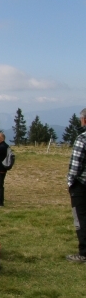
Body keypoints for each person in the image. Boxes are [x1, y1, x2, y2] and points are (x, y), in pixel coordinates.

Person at [66, 108, 86, 263]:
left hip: (82, 186)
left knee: (80, 217)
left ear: (84, 120)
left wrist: (70, 182)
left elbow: (75, 166)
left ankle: (84, 253)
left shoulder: (82, 139)